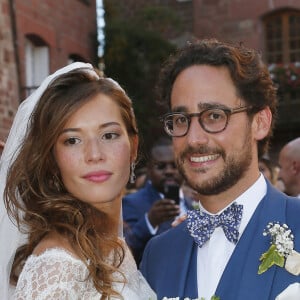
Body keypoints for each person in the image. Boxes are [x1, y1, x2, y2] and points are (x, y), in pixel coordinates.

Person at [140, 39, 300, 300]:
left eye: (214, 115)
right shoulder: (158, 255)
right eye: (181, 120)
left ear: (260, 122)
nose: (193, 139)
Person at [0, 62, 156, 299]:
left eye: (109, 135)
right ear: (53, 159)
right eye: (72, 140)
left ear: (133, 147)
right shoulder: (57, 268)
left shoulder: (113, 249)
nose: (94, 155)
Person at [123, 137, 189, 265]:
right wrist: (149, 222)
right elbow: (122, 253)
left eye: (174, 166)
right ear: (149, 170)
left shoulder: (193, 204)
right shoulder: (131, 203)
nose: (169, 171)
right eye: (161, 166)